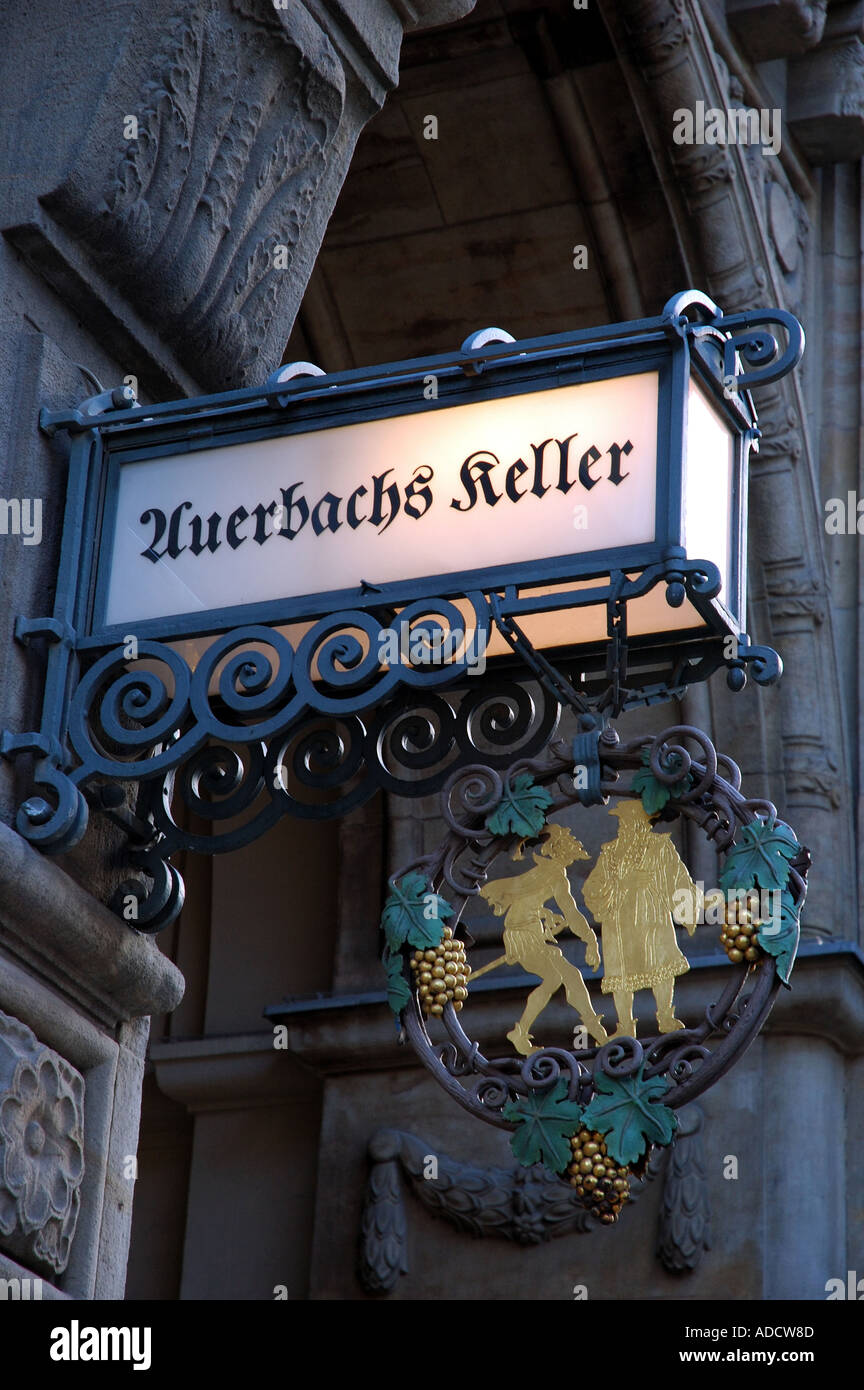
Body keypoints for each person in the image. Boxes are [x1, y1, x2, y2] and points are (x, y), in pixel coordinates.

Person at [480, 823, 608, 1056]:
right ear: (561, 852)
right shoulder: (554, 876)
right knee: (554, 978)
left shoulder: (548, 872)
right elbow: (572, 914)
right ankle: (520, 1032)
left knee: (571, 975)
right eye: (571, 851)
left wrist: (543, 914)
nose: (573, 855)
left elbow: (527, 899)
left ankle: (596, 1029)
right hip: (522, 934)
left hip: (529, 931)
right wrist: (591, 940)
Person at [581, 799, 702, 1038]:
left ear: (641, 822)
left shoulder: (660, 847)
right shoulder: (611, 852)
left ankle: (665, 1016)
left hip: (652, 915)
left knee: (661, 964)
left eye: (627, 820)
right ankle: (625, 1025)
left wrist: (688, 910)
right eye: (622, 821)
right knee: (621, 972)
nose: (623, 825)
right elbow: (592, 887)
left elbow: (678, 878)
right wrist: (620, 885)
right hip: (618, 920)